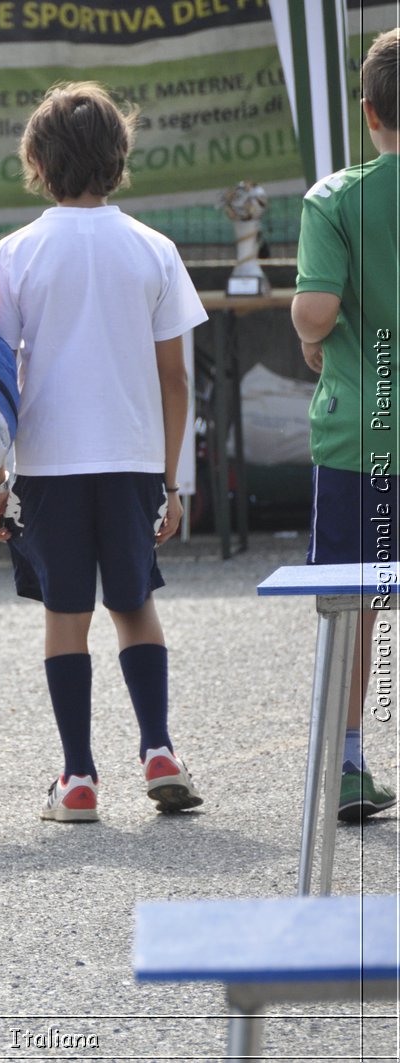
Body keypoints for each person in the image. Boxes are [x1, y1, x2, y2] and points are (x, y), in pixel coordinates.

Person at [0, 82, 207, 823]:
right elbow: (176, 378)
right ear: (120, 157)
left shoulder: (14, 254)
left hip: (47, 466)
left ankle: (77, 778)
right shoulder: (155, 249)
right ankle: (160, 748)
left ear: (36, 161)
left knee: (65, 614)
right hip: (137, 459)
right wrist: (173, 483)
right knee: (136, 605)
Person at [291, 28, 400, 822]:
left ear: (368, 112)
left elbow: (319, 309)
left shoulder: (333, 198)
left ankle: (350, 759)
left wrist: (306, 330)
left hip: (361, 429)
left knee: (350, 604)